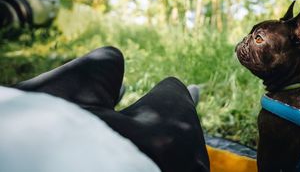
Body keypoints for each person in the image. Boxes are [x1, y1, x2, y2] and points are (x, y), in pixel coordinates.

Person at [2, 46, 210, 172]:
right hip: (113, 153)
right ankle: (183, 100)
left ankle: (109, 97)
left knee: (108, 57)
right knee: (172, 86)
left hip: (21, 111)